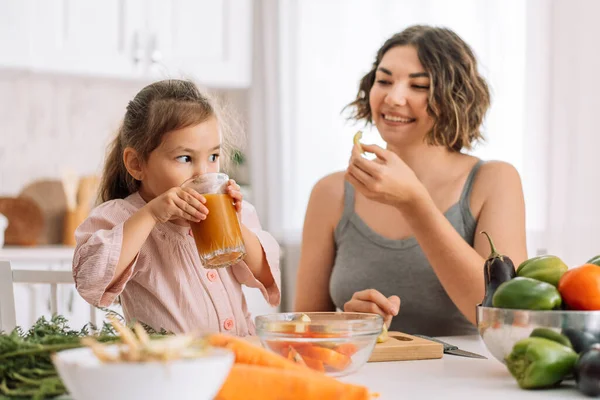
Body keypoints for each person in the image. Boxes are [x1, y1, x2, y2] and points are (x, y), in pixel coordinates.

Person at [294, 25, 527, 336]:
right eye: (384, 80)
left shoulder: (494, 181)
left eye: (419, 86)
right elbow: (304, 329)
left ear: (453, 98)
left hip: (468, 382)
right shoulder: (331, 192)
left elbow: (506, 319)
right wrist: (349, 322)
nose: (394, 97)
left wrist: (414, 203)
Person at [73, 79, 280, 335]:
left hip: (237, 358)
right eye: (185, 158)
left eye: (213, 157)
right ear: (137, 164)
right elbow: (89, 281)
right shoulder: (123, 217)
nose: (203, 173)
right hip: (170, 367)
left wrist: (234, 224)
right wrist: (150, 215)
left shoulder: (233, 211)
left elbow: (266, 277)